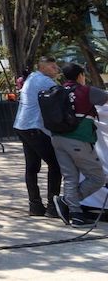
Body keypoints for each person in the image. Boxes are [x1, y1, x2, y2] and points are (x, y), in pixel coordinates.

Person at [50, 63, 108, 226]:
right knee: (98, 178)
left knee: (70, 178)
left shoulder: (57, 91)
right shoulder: (86, 91)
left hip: (57, 139)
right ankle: (67, 202)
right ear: (80, 75)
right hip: (77, 139)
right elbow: (106, 99)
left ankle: (76, 215)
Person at [13, 56, 62, 217]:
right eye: (53, 67)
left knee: (32, 167)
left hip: (22, 125)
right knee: (55, 165)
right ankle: (53, 206)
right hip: (35, 127)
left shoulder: (32, 77)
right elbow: (62, 99)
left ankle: (35, 205)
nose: (57, 70)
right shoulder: (46, 82)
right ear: (43, 67)